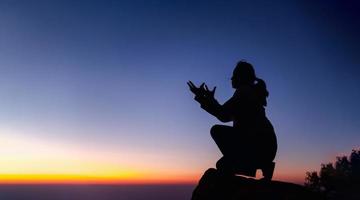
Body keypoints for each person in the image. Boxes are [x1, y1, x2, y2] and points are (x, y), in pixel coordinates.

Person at [187, 61, 277, 180]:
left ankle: (254, 164)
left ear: (242, 76)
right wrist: (209, 99)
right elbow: (225, 116)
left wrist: (204, 98)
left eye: (234, 75)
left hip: (258, 145)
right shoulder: (249, 92)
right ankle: (264, 165)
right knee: (222, 165)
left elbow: (223, 114)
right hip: (266, 146)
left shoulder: (244, 91)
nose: (231, 78)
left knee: (216, 131)